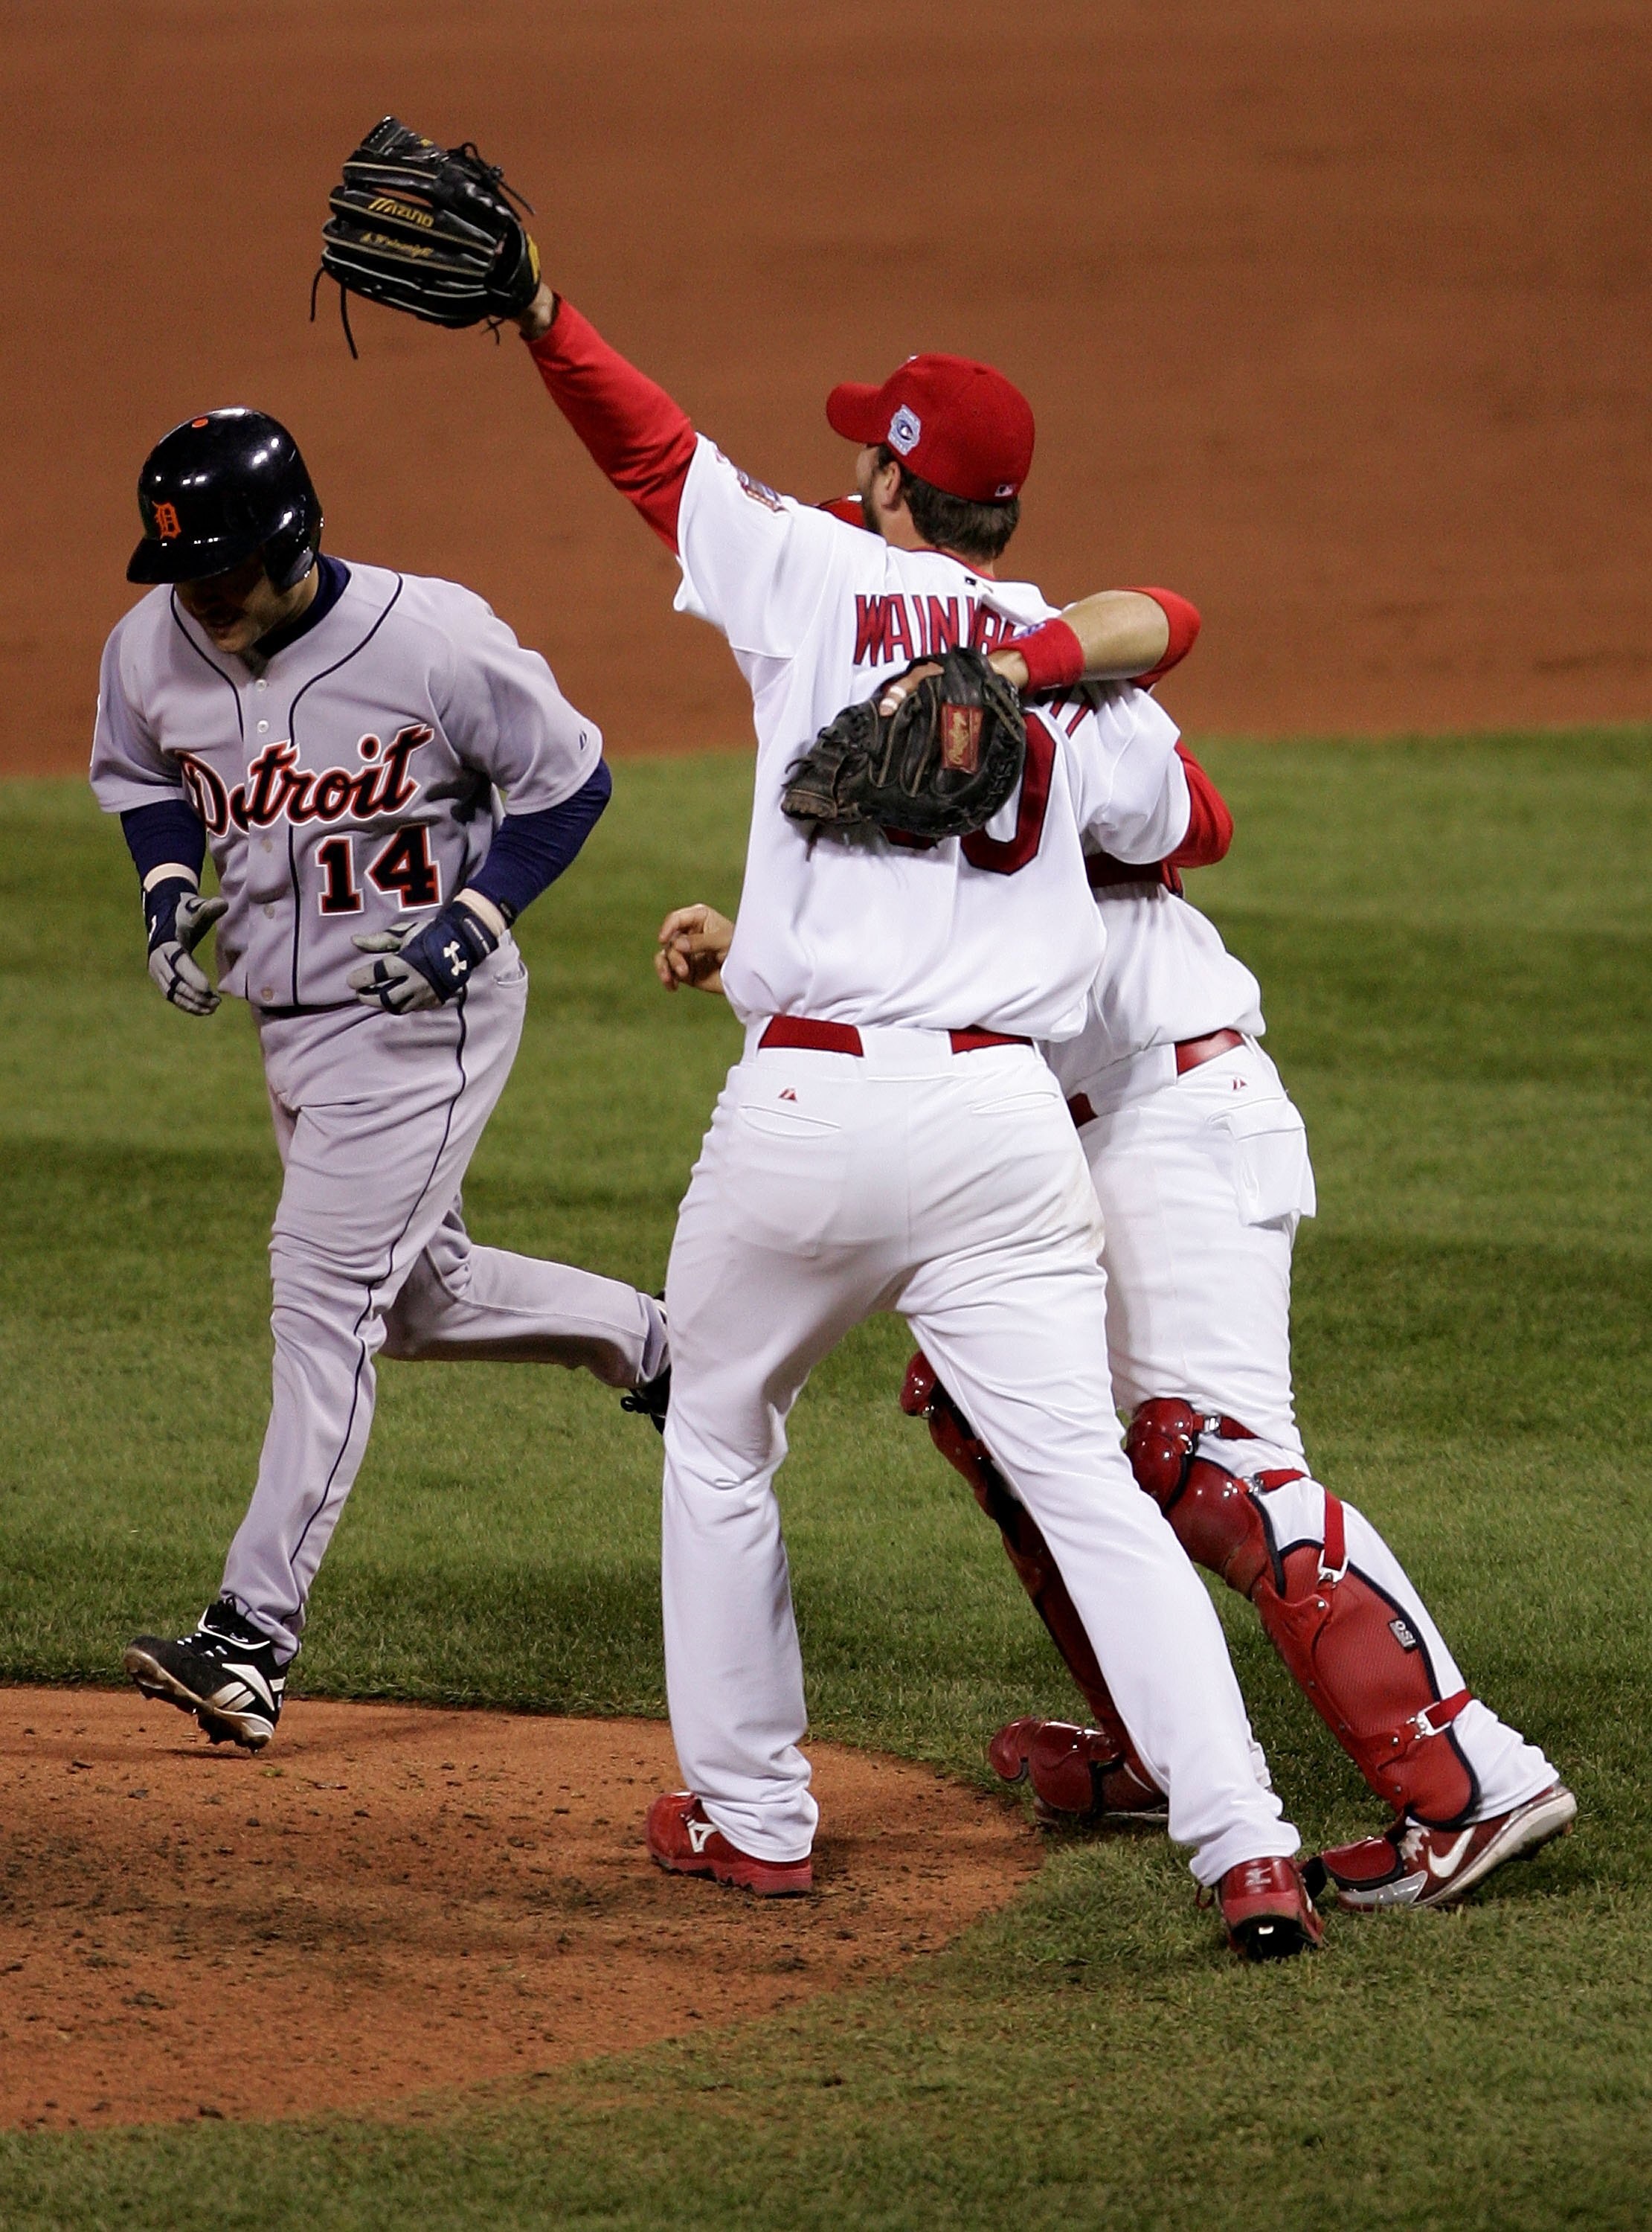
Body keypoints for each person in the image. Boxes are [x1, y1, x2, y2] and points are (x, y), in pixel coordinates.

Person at [507, 278, 1322, 1957]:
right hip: (1002, 1128)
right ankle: (1247, 1849)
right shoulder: (1066, 660)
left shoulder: (804, 576)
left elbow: (648, 451)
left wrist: (538, 310)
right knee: (1088, 1487)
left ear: (887, 479)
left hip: (807, 1104)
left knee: (722, 1428)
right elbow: (1199, 816)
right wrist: (1021, 683)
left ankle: (754, 1820)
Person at [861, 637, 1575, 1912]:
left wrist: (1028, 696)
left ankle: (1472, 1782)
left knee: (1212, 1458)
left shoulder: (1067, 702)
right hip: (1069, 1128)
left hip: (1171, 1105)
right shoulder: (908, 699)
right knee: (1000, 1419)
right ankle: (1165, 1748)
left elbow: (1198, 808)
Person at [89, 407, 670, 1753]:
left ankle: (249, 1636)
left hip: (426, 1024)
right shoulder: (150, 646)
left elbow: (565, 784)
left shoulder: (431, 640)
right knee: (409, 1299)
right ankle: (658, 1345)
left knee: (320, 1295)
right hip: (286, 1027)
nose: (203, 598)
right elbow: (143, 780)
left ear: (296, 538)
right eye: (184, 573)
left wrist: (477, 917)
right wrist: (170, 888)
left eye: (226, 569)